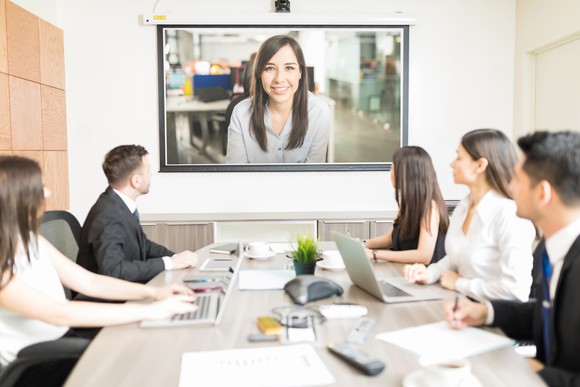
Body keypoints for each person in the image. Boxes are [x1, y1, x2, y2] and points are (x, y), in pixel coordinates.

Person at [0, 156, 197, 366]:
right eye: (40, 188)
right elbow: (58, 314)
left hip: (62, 340)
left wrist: (154, 293)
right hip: (35, 361)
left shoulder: (30, 238)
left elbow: (89, 282)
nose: (47, 193)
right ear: (17, 197)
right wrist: (151, 310)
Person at [446, 131, 580, 386]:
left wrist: (522, 370)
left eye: (517, 179)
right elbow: (547, 315)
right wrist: (485, 312)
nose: (509, 186)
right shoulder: (559, 248)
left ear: (543, 193)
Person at [405, 129, 535, 302]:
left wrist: (460, 283)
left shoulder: (510, 215)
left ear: (480, 165)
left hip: (494, 318)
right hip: (460, 305)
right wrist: (429, 273)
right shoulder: (463, 208)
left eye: (459, 157)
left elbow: (515, 291)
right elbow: (454, 259)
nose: (452, 164)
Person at [77, 145, 198, 286]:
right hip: (109, 301)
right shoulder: (108, 215)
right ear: (136, 181)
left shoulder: (118, 205)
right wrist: (169, 263)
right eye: (148, 170)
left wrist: (176, 258)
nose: (151, 175)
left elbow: (143, 245)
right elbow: (113, 271)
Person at [226, 35, 331, 163]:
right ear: (259, 73)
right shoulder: (241, 113)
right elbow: (236, 174)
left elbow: (313, 174)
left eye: (289, 68)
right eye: (269, 68)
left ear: (301, 72)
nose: (279, 79)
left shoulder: (319, 112)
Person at [363, 146, 448, 265]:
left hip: (424, 277)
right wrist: (362, 244)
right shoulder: (406, 204)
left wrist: (374, 254)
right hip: (405, 271)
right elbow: (390, 239)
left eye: (392, 168)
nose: (390, 172)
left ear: (406, 173)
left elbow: (424, 256)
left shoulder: (430, 207)